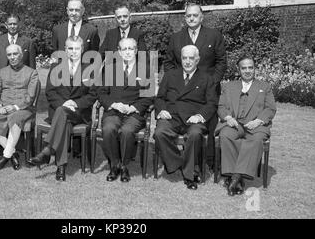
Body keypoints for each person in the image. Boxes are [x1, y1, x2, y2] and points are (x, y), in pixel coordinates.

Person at [163, 3, 227, 169]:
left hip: (207, 89)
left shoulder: (214, 35)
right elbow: (169, 62)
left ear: (201, 17)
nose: (191, 18)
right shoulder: (176, 37)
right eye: (188, 16)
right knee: (184, 125)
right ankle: (187, 162)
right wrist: (175, 80)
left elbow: (221, 61)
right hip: (182, 91)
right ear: (185, 18)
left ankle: (210, 161)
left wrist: (212, 82)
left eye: (195, 15)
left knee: (210, 123)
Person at [28, 36, 97, 181]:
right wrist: (64, 104)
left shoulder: (89, 69)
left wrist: (75, 103)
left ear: (82, 49)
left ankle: (48, 150)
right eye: (70, 48)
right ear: (65, 50)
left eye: (76, 48)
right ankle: (60, 167)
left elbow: (92, 95)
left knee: (62, 114)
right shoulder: (56, 67)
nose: (73, 52)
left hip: (79, 113)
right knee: (63, 118)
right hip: (60, 110)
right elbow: (50, 92)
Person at [154, 45, 217, 190]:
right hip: (172, 116)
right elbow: (160, 98)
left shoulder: (207, 78)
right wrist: (162, 110)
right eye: (184, 58)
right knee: (159, 133)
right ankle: (179, 162)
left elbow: (212, 103)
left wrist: (200, 115)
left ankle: (190, 175)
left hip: (193, 119)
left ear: (197, 60)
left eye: (191, 58)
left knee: (195, 134)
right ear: (180, 59)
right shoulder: (171, 75)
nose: (187, 62)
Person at [216, 55, 276, 196]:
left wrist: (259, 121)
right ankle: (235, 176)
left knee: (255, 141)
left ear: (255, 69)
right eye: (244, 68)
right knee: (225, 135)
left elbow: (270, 108)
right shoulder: (229, 86)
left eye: (251, 67)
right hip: (234, 124)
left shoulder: (264, 87)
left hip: (256, 126)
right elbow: (221, 106)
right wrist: (228, 118)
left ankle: (235, 177)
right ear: (239, 70)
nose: (247, 71)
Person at [97, 38, 152, 182]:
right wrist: (114, 105)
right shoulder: (110, 69)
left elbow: (149, 96)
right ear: (119, 52)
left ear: (135, 51)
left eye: (131, 49)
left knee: (127, 131)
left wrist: (134, 107)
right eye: (124, 49)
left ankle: (125, 166)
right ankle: (115, 164)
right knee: (108, 128)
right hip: (114, 111)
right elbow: (101, 93)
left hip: (134, 113)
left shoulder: (145, 70)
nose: (128, 52)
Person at [0, 44, 39, 171]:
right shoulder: (1, 72)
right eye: (9, 55)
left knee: (15, 118)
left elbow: (30, 97)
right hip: (3, 107)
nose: (12, 57)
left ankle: (5, 157)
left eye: (15, 54)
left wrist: (14, 107)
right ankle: (13, 153)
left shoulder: (32, 73)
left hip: (24, 109)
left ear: (21, 55)